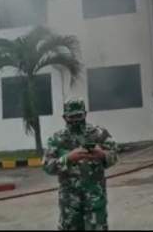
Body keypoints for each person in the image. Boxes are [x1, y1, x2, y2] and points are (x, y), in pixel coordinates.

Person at [44, 99, 119, 231]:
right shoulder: (57, 139)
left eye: (79, 116)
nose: (75, 120)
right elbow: (47, 166)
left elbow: (115, 155)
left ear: (85, 114)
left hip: (95, 199)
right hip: (70, 203)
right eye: (71, 117)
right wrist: (68, 158)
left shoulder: (98, 134)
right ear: (64, 117)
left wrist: (102, 154)